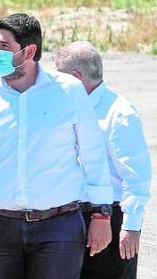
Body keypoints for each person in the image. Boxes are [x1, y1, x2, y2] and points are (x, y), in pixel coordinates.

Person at [0, 14, 114, 279]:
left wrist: (101, 214)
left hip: (58, 228)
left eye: (4, 46)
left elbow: (93, 154)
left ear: (29, 51)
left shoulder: (69, 91)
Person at [54, 41, 151, 279]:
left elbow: (136, 177)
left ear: (75, 78)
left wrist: (131, 226)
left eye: (58, 76)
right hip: (70, 217)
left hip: (110, 217)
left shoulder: (120, 114)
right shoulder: (68, 108)